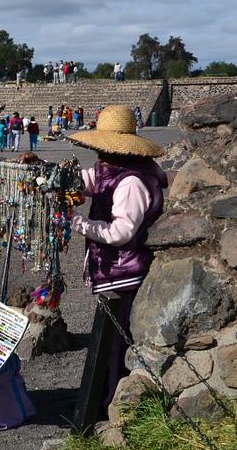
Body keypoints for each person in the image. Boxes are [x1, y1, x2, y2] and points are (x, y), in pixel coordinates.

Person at [65, 105, 167, 415]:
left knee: (114, 347)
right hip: (115, 271)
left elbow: (121, 232)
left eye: (102, 149)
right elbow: (89, 181)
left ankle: (108, 407)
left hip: (125, 272)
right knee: (110, 343)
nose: (98, 155)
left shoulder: (132, 182)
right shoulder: (114, 171)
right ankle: (103, 402)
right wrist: (49, 175)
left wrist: (79, 223)